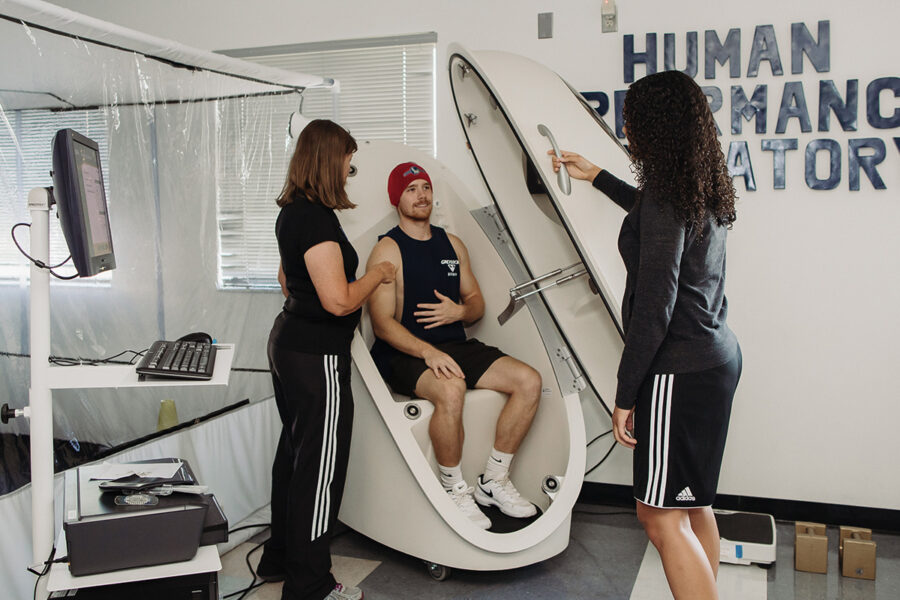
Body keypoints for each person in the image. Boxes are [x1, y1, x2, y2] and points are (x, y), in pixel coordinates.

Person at [551, 70, 742, 600]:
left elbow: (652, 311)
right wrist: (599, 178)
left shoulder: (666, 195)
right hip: (715, 357)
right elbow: (656, 220)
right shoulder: (696, 185)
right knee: (692, 502)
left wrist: (625, 395)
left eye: (632, 118)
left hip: (679, 368)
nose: (627, 127)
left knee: (659, 519)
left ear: (654, 126)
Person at [258, 119, 395, 600]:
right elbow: (338, 301)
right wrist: (376, 274)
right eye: (346, 159)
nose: (349, 168)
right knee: (319, 472)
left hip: (290, 343)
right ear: (327, 159)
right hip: (316, 357)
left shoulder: (293, 212)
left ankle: (278, 558)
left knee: (294, 457)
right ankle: (310, 586)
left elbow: (287, 278)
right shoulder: (314, 218)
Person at [366, 162, 542, 530]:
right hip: (402, 351)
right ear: (396, 198)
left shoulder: (452, 243)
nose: (421, 195)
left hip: (452, 343)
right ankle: (453, 490)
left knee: (529, 381)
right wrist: (428, 352)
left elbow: (477, 304)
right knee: (451, 388)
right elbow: (382, 325)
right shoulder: (388, 249)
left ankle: (493, 480)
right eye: (411, 188)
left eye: (425, 187)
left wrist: (458, 310)